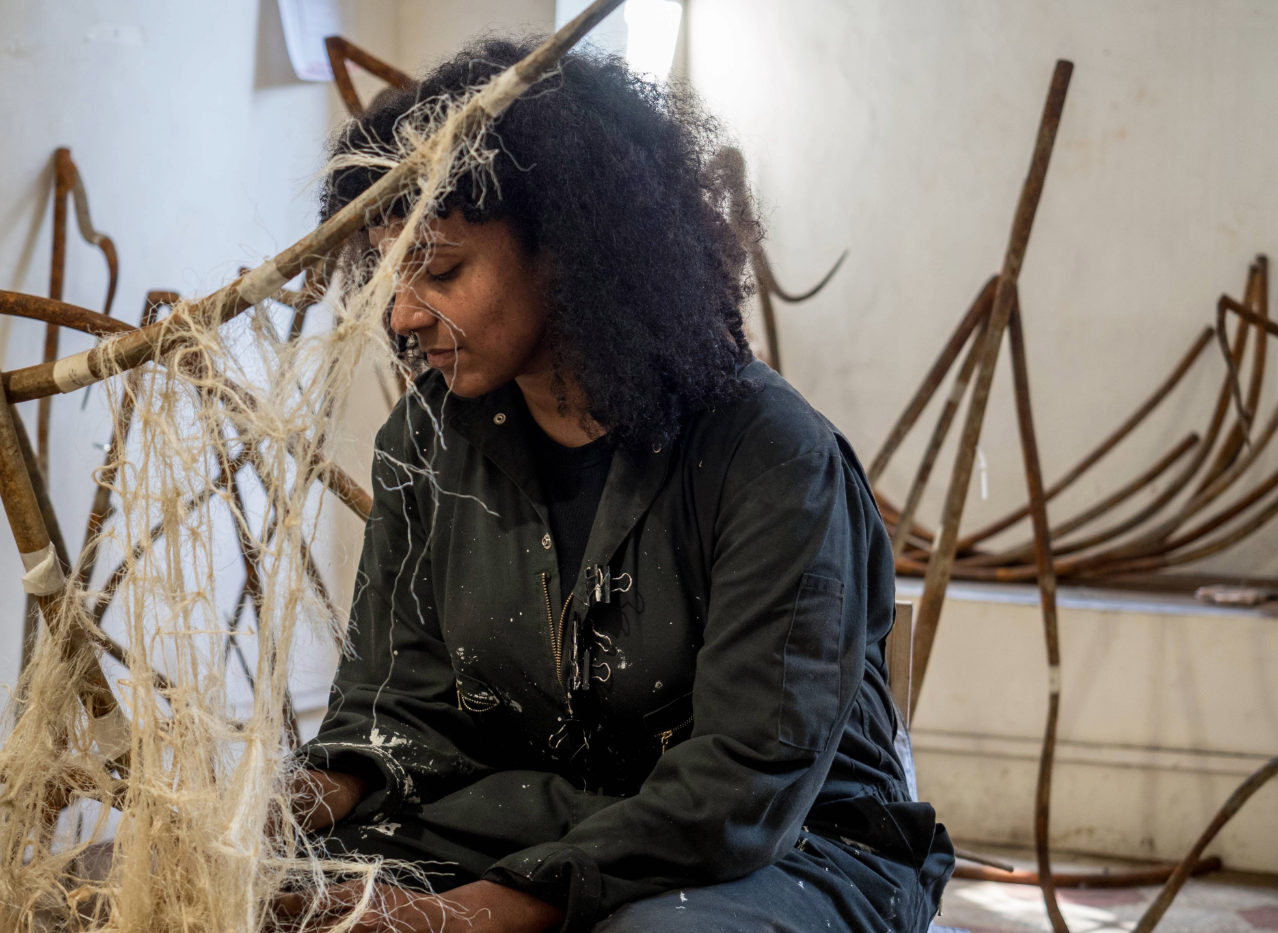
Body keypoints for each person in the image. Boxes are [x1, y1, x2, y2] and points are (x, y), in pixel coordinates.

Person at [289, 36, 954, 933]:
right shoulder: (426, 439)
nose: (404, 313)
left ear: (567, 247)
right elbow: (395, 708)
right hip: (533, 819)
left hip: (787, 847)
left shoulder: (772, 459)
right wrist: (274, 816)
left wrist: (462, 917)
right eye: (390, 272)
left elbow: (742, 785)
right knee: (273, 898)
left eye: (441, 270)